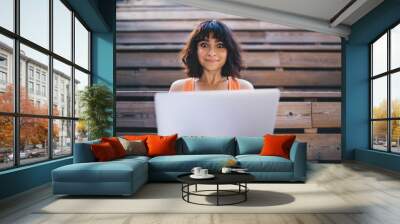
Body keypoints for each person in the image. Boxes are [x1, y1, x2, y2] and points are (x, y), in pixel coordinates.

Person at [169, 19, 254, 92]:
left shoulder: (244, 88)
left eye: (220, 46)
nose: (211, 53)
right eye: (204, 45)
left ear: (229, 51)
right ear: (195, 50)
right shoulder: (178, 89)